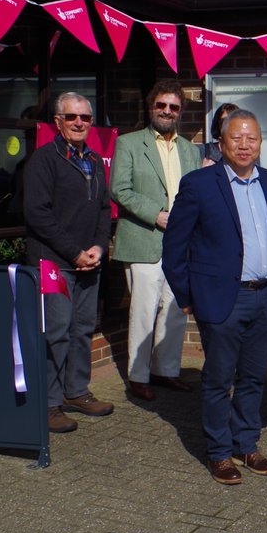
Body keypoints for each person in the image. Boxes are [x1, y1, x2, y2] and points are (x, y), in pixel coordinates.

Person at [164, 109, 267, 485]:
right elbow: (174, 245)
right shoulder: (200, 183)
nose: (245, 145)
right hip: (222, 298)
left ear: (261, 143)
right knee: (219, 379)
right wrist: (186, 295)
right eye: (237, 138)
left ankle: (246, 444)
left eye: (252, 138)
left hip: (263, 296)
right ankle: (218, 452)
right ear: (221, 143)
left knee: (253, 377)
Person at [23, 92, 115, 433]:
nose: (79, 123)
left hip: (89, 262)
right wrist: (74, 252)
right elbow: (37, 215)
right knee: (56, 332)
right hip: (53, 264)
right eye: (72, 117)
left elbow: (105, 209)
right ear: (58, 122)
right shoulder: (43, 160)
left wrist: (97, 248)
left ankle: (76, 391)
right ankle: (49, 404)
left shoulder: (93, 159)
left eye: (85, 118)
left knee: (82, 330)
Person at [110, 79, 201, 401]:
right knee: (144, 309)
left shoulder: (191, 149)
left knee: (176, 308)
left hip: (182, 242)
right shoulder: (129, 143)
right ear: (151, 108)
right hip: (144, 237)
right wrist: (157, 214)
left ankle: (167, 371)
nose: (167, 111)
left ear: (179, 112)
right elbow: (119, 189)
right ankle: (138, 375)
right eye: (161, 105)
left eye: (173, 107)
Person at [200, 102, 239, 166]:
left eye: (233, 120)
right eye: (224, 120)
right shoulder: (203, 151)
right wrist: (202, 171)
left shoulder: (248, 151)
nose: (228, 124)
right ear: (217, 123)